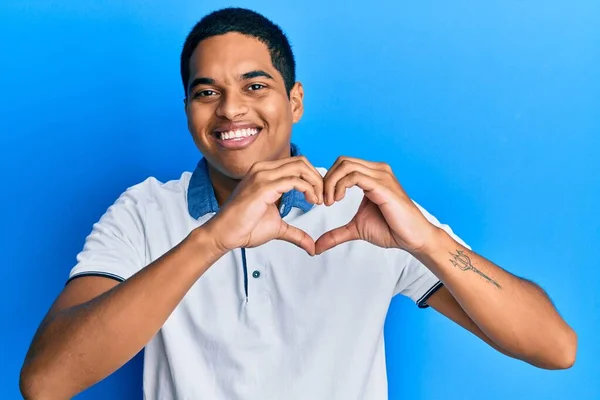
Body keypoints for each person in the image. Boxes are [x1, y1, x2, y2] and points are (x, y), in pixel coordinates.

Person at [20, 7, 577, 400]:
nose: (230, 110)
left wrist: (427, 242)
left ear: (295, 101)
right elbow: (46, 383)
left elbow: (554, 347)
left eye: (255, 86)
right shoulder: (143, 211)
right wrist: (211, 238)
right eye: (205, 91)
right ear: (188, 108)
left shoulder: (367, 211)